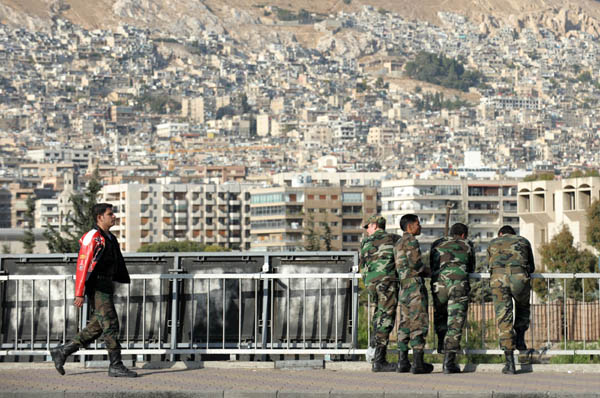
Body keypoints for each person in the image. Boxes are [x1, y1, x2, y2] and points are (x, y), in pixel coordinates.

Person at [51, 203, 137, 377]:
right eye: (110, 214)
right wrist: (79, 292)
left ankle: (63, 351)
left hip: (106, 285)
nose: (114, 216)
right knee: (111, 323)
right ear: (100, 217)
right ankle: (115, 365)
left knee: (97, 327)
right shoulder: (93, 237)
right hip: (97, 286)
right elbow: (82, 265)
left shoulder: (110, 237)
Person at [487, 225, 535, 375]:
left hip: (498, 280)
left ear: (500, 234)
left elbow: (489, 265)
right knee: (523, 306)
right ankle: (520, 338)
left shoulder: (493, 243)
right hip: (519, 278)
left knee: (504, 317)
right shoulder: (523, 241)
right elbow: (531, 267)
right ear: (514, 234)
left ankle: (509, 364)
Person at [430, 223, 475, 374]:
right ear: (463, 235)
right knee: (455, 323)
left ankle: (441, 344)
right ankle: (448, 362)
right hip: (458, 285)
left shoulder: (437, 244)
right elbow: (471, 267)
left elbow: (432, 264)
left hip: (439, 284)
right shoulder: (467, 244)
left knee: (440, 315)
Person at [359, 214, 399, 372]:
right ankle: (379, 360)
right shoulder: (394, 239)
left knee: (378, 317)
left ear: (375, 225)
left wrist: (368, 282)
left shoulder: (365, 242)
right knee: (386, 320)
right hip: (387, 284)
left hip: (372, 285)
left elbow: (362, 265)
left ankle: (375, 353)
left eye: (367, 227)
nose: (367, 230)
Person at [394, 214, 433, 374]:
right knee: (418, 323)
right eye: (418, 223)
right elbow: (417, 265)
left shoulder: (398, 243)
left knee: (404, 324)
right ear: (410, 226)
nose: (420, 226)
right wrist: (432, 272)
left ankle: (402, 361)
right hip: (414, 288)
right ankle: (417, 363)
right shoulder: (411, 241)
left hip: (403, 288)